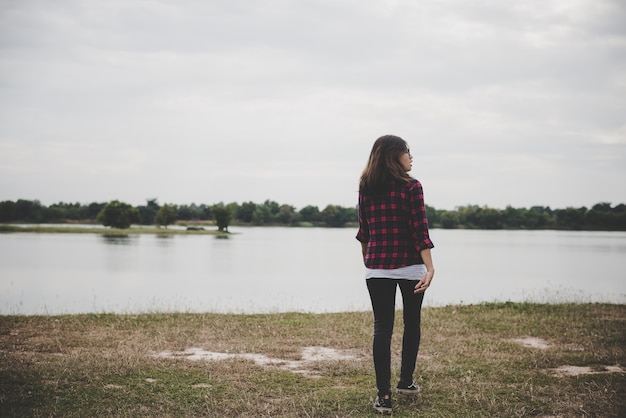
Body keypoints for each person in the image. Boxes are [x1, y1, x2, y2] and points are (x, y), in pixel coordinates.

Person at [356, 134, 435, 414]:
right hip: (410, 266)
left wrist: (369, 261)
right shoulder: (412, 187)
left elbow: (363, 233)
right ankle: (405, 382)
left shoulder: (366, 187)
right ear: (394, 155)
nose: (411, 157)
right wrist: (430, 267)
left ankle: (384, 397)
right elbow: (420, 231)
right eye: (407, 152)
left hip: (376, 268)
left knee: (382, 328)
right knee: (411, 323)